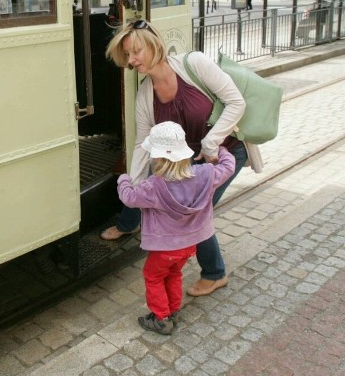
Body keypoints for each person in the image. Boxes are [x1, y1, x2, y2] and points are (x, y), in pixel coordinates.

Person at [100, 18, 263, 297]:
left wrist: (212, 143)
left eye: (136, 51)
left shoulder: (194, 64)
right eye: (127, 55)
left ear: (154, 44)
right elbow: (142, 144)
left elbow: (237, 102)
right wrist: (134, 183)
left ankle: (214, 274)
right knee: (150, 184)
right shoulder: (144, 95)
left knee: (195, 211)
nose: (133, 60)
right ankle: (129, 222)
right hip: (185, 158)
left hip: (223, 152)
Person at [118, 122, 235, 335]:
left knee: (153, 277)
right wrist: (221, 151)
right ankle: (172, 311)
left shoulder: (152, 186)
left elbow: (129, 198)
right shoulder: (205, 174)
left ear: (157, 157)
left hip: (164, 249)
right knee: (174, 275)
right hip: (190, 245)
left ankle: (161, 318)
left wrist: (124, 180)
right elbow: (228, 167)